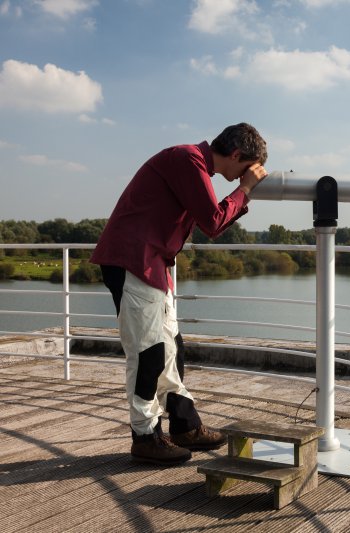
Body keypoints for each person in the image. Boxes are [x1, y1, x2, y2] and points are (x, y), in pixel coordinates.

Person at [91, 123, 268, 466]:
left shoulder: (190, 163)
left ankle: (185, 424)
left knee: (171, 347)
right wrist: (245, 190)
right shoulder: (187, 160)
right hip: (134, 260)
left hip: (153, 264)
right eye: (246, 168)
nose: (241, 177)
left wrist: (244, 187)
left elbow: (208, 220)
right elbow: (213, 222)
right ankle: (145, 436)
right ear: (236, 155)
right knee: (148, 353)